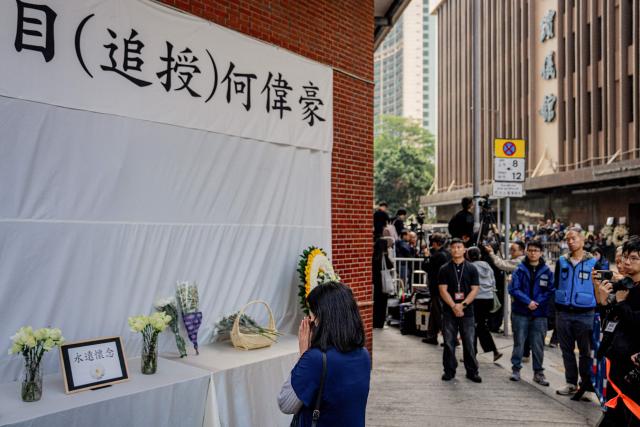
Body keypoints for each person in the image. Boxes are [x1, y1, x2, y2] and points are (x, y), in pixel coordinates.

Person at [278, 282, 371, 427]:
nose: (309, 321)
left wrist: (303, 356)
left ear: (321, 319)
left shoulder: (316, 359)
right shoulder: (364, 355)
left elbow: (285, 404)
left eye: (311, 314)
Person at [595, 238, 640, 426]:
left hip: (634, 367)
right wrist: (603, 302)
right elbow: (611, 321)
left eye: (634, 258)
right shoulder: (624, 285)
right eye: (625, 257)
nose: (627, 262)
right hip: (617, 361)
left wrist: (621, 304)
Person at [554, 227, 598, 396]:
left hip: (586, 313)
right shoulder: (561, 261)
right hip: (564, 313)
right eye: (568, 239)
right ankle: (571, 383)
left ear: (582, 240)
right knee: (566, 350)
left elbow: (599, 287)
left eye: (573, 238)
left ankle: (586, 385)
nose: (570, 242)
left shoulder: (593, 262)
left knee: (585, 352)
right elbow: (557, 284)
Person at [508, 240, 554, 386]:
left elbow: (550, 291)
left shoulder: (547, 271)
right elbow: (513, 289)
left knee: (538, 344)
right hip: (521, 312)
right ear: (526, 251)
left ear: (541, 253)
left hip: (540, 314)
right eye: (531, 250)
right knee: (519, 342)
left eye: (536, 250)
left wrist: (537, 302)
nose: (533, 253)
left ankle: (538, 373)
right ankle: (516, 369)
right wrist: (528, 302)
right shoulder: (519, 269)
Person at [438, 238, 482, 383]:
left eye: (459, 247)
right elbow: (442, 290)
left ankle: (472, 371)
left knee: (469, 342)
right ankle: (449, 371)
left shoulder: (471, 268)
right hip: (449, 311)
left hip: (467, 312)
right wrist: (453, 306)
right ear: (450, 250)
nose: (456, 250)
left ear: (464, 250)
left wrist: (462, 305)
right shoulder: (444, 268)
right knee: (449, 342)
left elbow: (475, 289)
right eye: (453, 247)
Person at [467, 247, 502, 361]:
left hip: (475, 298)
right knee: (481, 325)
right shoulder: (487, 266)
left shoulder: (469, 267)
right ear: (480, 255)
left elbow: (468, 284)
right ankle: (493, 351)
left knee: (474, 325)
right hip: (488, 298)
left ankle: (473, 353)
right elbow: (493, 281)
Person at [422, 233, 450, 345]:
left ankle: (449, 337)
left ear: (434, 243)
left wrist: (426, 256)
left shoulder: (438, 256)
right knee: (435, 312)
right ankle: (432, 336)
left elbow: (426, 267)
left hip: (437, 288)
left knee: (439, 313)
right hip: (444, 287)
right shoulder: (447, 254)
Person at [372, 238, 393, 328]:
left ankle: (375, 322)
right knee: (383, 303)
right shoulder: (384, 257)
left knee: (376, 303)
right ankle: (380, 322)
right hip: (384, 283)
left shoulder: (374, 256)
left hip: (376, 283)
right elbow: (391, 265)